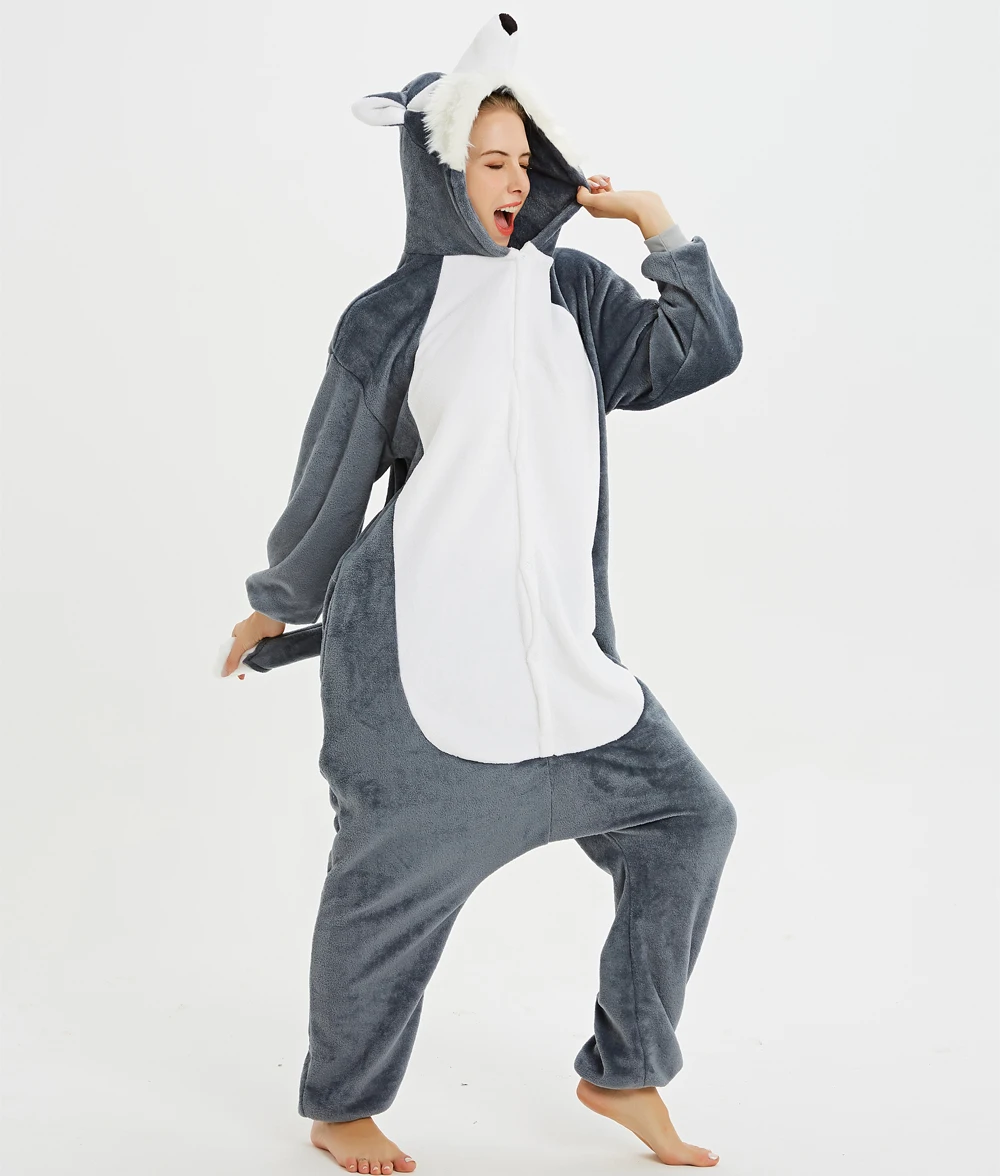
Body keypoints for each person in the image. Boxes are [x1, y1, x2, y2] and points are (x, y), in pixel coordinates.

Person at [223, 14, 742, 1173]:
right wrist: (279, 598)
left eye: (522, 161)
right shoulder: (390, 316)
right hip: (420, 669)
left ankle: (624, 1072)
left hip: (565, 663)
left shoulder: (581, 297)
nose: (511, 183)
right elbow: (333, 473)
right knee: (383, 895)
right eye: (486, 161)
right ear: (437, 172)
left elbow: (699, 350)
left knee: (689, 824)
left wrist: (658, 229)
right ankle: (342, 1107)